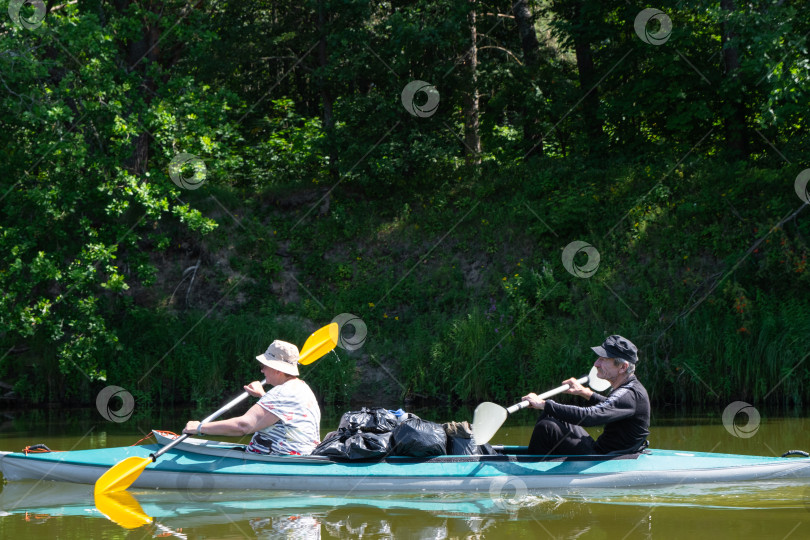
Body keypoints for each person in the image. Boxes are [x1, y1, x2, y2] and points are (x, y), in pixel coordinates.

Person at [183, 340, 321, 455]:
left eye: (264, 366)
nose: (262, 370)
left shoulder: (280, 393)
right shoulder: (302, 388)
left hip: (279, 459)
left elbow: (243, 426)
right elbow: (283, 414)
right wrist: (263, 396)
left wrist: (200, 428)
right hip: (303, 455)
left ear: (278, 370)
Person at [522, 335, 650, 456]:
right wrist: (585, 392)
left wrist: (543, 404)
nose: (596, 364)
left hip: (604, 458)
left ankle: (530, 471)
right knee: (549, 415)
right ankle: (541, 460)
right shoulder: (629, 389)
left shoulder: (629, 394)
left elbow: (589, 417)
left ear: (623, 367)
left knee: (547, 427)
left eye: (603, 360)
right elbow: (612, 405)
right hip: (600, 450)